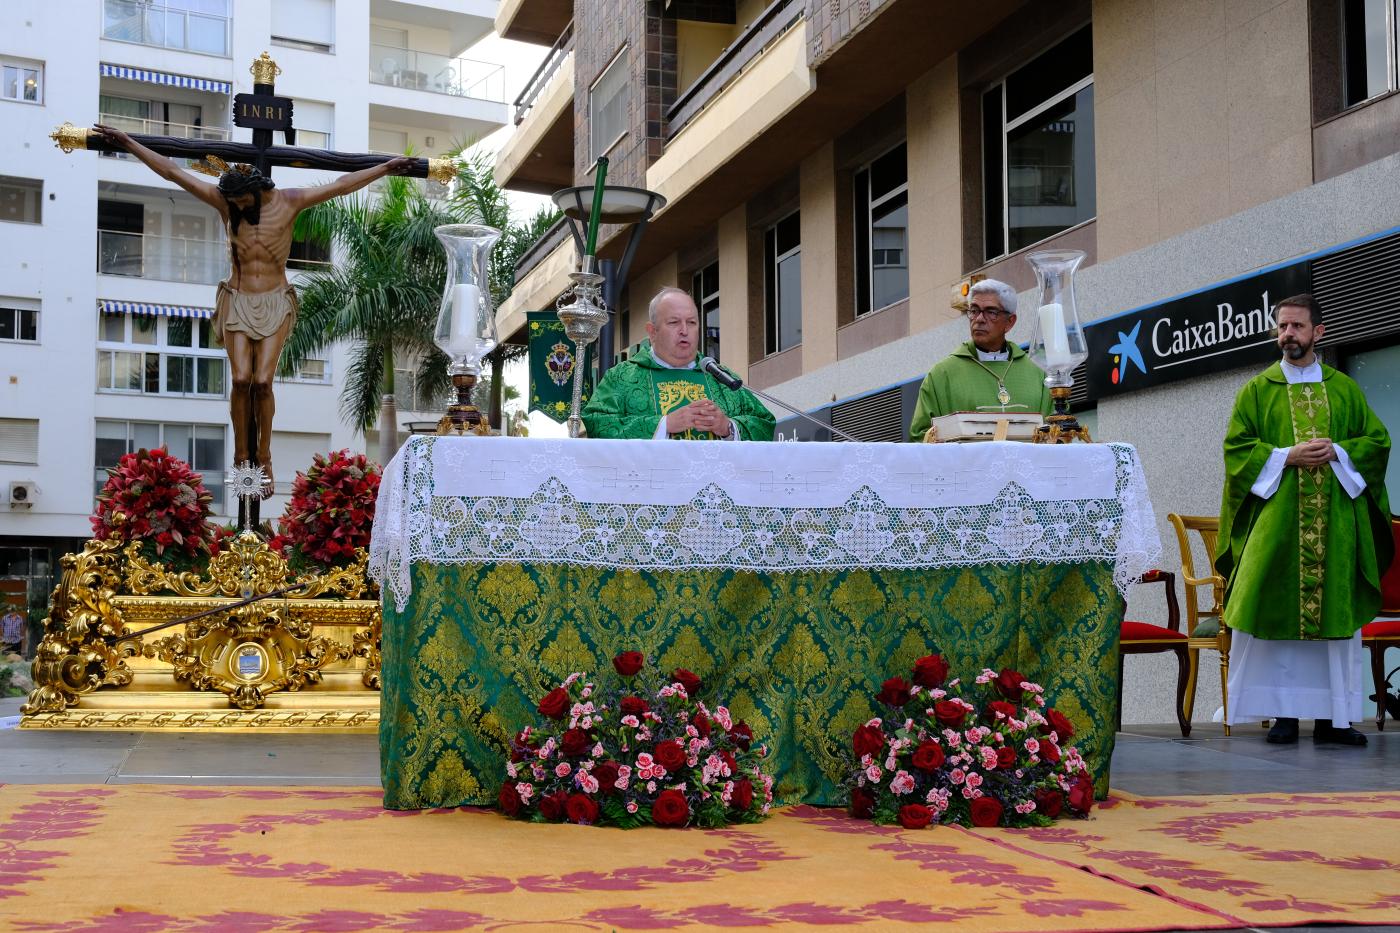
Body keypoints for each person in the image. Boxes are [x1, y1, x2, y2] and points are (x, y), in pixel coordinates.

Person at [91, 124, 413, 495]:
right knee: (241, 379)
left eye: (244, 202)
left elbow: (341, 184)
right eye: (234, 204)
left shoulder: (291, 201)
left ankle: (265, 457)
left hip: (275, 300)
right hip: (238, 299)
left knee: (262, 382)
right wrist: (130, 142)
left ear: (259, 191)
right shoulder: (227, 201)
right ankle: (241, 457)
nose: (238, 209)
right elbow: (172, 171)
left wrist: (385, 168)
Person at [1217, 294, 1392, 746]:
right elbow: (1236, 451)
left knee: (1336, 615)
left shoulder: (1344, 389)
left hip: (1334, 523)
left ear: (1319, 332)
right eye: (1282, 327)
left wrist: (1341, 450)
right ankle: (1284, 715)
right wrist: (1285, 455)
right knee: (1276, 614)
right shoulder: (1258, 390)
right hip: (1279, 524)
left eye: (1296, 326)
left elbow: (1377, 442)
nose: (1287, 335)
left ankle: (1336, 719)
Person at [582, 288, 775, 441]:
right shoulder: (622, 377)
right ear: (652, 332)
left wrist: (727, 427)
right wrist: (665, 424)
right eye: (674, 322)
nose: (684, 331)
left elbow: (764, 424)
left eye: (691, 322)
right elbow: (598, 424)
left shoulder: (721, 378)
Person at [907, 278, 1052, 442]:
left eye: (991, 312)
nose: (979, 319)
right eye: (974, 311)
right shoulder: (942, 375)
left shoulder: (1038, 373)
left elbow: (1056, 431)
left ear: (1010, 322)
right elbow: (920, 439)